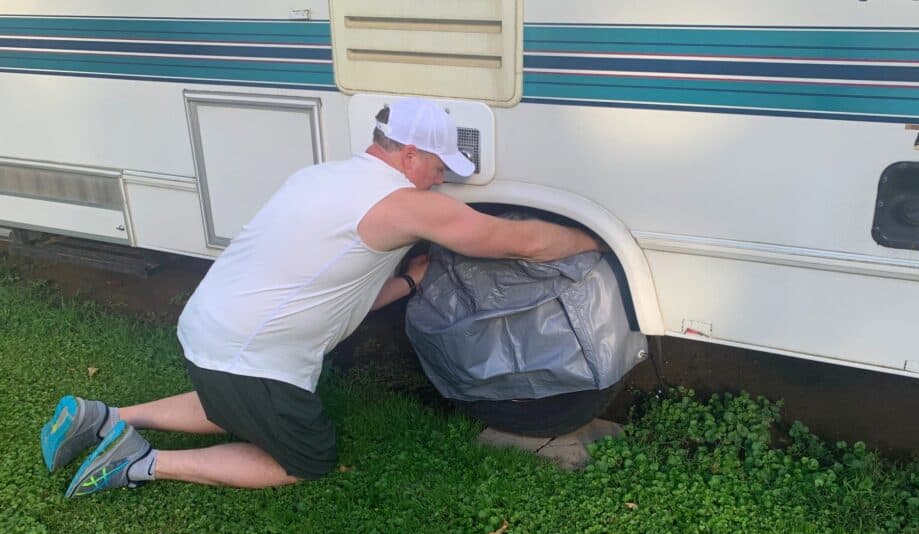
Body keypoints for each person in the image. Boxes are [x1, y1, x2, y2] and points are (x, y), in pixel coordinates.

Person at [40, 98, 601, 497]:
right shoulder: (405, 202)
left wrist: (409, 282)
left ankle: (103, 415)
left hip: (207, 330)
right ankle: (141, 462)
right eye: (436, 166)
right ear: (408, 154)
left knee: (231, 402)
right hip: (250, 356)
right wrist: (597, 240)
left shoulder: (319, 177)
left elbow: (332, 286)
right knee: (305, 461)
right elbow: (519, 241)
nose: (437, 179)